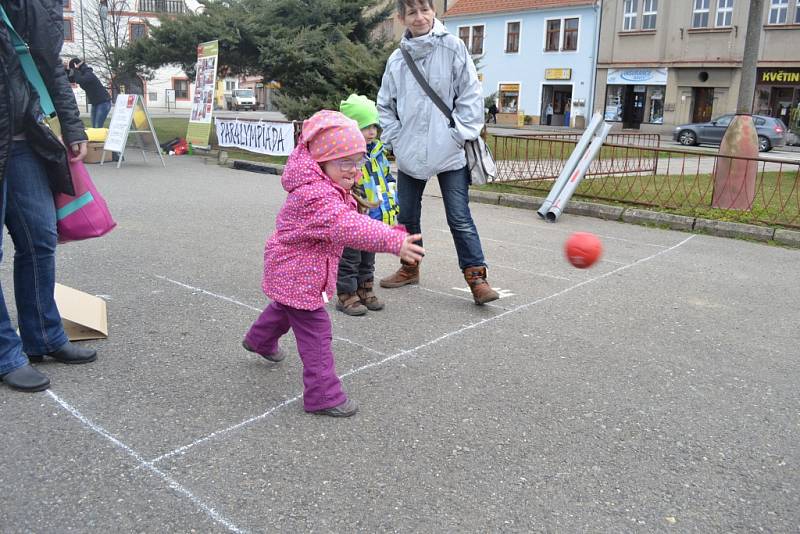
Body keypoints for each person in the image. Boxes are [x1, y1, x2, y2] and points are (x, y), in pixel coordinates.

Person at [242, 110, 424, 417]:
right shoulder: (316, 196)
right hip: (297, 271)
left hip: (295, 269)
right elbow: (347, 225)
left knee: (286, 308)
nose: (355, 170)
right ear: (321, 160)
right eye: (345, 162)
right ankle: (323, 394)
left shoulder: (327, 184)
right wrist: (393, 241)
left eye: (359, 161)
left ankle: (259, 340)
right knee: (316, 330)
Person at [0, 0, 98, 393]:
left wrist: (72, 127)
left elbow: (48, 63)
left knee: (40, 238)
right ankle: (6, 352)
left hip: (25, 136)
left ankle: (43, 335)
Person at [377, 0, 500, 305]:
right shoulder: (397, 59)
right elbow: (385, 104)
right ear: (401, 18)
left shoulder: (453, 47)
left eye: (424, 10)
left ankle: (477, 278)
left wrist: (458, 135)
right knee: (407, 214)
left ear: (434, 12)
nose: (419, 17)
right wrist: (396, 139)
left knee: (458, 216)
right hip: (410, 151)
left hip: (449, 150)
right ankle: (409, 268)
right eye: (411, 12)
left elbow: (471, 94)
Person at [335, 94, 399, 316]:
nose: (371, 131)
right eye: (365, 126)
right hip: (353, 216)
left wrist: (392, 196)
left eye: (374, 126)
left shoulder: (378, 151)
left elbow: (386, 177)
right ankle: (346, 294)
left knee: (368, 257)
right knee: (350, 257)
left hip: (373, 215)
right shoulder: (347, 154)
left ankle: (365, 289)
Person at [67, 58, 112, 128]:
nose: (73, 71)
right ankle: (97, 138)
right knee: (94, 127)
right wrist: (66, 69)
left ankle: (101, 138)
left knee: (97, 127)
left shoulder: (89, 74)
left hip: (104, 102)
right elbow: (70, 79)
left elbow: (80, 80)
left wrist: (75, 69)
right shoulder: (81, 74)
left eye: (74, 69)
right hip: (95, 103)